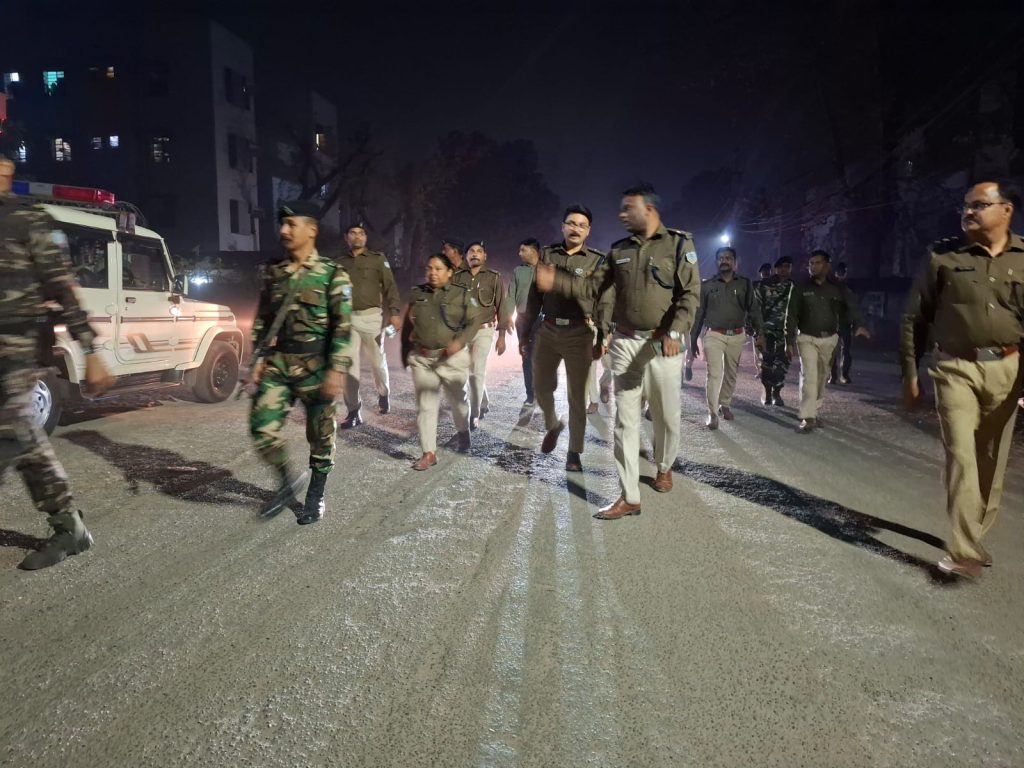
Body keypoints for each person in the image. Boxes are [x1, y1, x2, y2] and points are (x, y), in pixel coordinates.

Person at [536, 183, 700, 518]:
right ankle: (629, 496)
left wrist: (675, 331)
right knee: (624, 422)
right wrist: (559, 282)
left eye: (629, 208)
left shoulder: (679, 244)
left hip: (663, 345)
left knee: (666, 416)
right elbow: (592, 286)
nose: (622, 214)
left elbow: (690, 294)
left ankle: (664, 465)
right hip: (626, 343)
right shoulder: (618, 251)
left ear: (649, 210)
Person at [901, 180, 1024, 578]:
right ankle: (963, 548)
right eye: (965, 206)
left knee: (991, 461)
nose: (968, 212)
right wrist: (910, 373)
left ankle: (974, 536)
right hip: (954, 367)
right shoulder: (942, 256)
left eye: (978, 205)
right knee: (962, 453)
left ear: (1006, 210)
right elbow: (914, 317)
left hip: (1008, 368)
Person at [0, 153, 115, 570]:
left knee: (13, 434)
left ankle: (69, 528)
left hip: (17, 347)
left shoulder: (28, 220)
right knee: (19, 437)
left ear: (7, 172)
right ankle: (69, 526)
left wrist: (91, 352)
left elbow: (63, 288)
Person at [249, 201, 352, 525]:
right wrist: (259, 355)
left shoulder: (333, 274)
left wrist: (336, 368)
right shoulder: (274, 272)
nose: (284, 230)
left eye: (291, 224)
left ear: (311, 229)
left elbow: (343, 325)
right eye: (282, 224)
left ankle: (316, 494)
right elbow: (264, 318)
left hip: (317, 366)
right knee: (262, 428)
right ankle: (286, 482)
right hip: (279, 363)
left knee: (320, 436)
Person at [520, 205, 606, 472]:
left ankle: (574, 452)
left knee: (577, 396)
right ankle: (553, 424)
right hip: (548, 329)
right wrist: (524, 334)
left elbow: (601, 298)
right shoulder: (547, 254)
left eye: (581, 225)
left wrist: (602, 336)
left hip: (580, 332)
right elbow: (534, 297)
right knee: (541, 387)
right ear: (563, 226)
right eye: (571, 223)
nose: (576, 228)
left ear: (588, 231)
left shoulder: (597, 261)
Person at [401, 253, 481, 469]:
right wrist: (404, 352)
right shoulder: (417, 293)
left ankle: (463, 431)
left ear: (450, 272)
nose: (432, 273)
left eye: (438, 269)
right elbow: (407, 325)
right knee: (426, 405)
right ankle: (429, 453)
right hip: (423, 359)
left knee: (459, 402)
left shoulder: (462, 294)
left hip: (452, 359)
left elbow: (474, 321)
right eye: (429, 268)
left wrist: (459, 342)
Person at [786, 249, 869, 433]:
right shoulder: (800, 288)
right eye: (811, 263)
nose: (813, 267)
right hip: (806, 337)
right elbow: (791, 315)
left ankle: (814, 411)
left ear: (827, 265)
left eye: (818, 263)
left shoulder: (838, 288)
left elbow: (852, 307)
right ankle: (807, 417)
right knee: (809, 375)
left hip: (830, 339)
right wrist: (789, 340)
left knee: (822, 376)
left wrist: (860, 325)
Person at [335, 222, 402, 428]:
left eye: (361, 233)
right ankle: (354, 411)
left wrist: (395, 313)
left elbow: (390, 286)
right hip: (347, 320)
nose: (357, 236)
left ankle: (384, 393)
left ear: (365, 237)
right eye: (353, 233)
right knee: (348, 366)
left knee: (377, 363)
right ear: (346, 237)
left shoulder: (377, 259)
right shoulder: (338, 263)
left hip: (372, 318)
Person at [690, 246, 764, 428]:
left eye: (728, 258)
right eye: (721, 258)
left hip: (737, 335)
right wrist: (693, 340)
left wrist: (760, 333)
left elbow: (754, 310)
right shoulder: (707, 285)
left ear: (734, 262)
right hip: (714, 334)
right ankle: (712, 413)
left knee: (731, 373)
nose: (724, 261)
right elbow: (699, 314)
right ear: (717, 262)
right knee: (714, 374)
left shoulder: (744, 284)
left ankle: (725, 404)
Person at [453, 241, 511, 428]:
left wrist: (502, 336)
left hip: (484, 331)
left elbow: (501, 306)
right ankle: (483, 401)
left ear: (485, 256)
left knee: (476, 371)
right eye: (471, 251)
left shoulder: (494, 278)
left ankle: (474, 414)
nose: (475, 254)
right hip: (462, 331)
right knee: (465, 372)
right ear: (466, 256)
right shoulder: (457, 277)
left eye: (479, 251)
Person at [755, 256, 795, 406]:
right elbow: (755, 309)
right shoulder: (764, 285)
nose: (784, 269)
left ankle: (777, 393)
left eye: (787, 266)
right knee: (767, 363)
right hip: (767, 332)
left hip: (785, 334)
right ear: (776, 269)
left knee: (782, 365)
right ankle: (767, 391)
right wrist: (757, 332)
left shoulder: (794, 287)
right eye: (781, 267)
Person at [508, 237, 541, 407]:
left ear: (534, 251)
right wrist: (507, 316)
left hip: (543, 320)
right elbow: (511, 295)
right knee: (526, 356)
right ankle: (531, 394)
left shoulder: (547, 269)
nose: (519, 253)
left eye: (523, 250)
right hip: (523, 320)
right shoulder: (518, 271)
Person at [829, 261, 855, 384]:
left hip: (845, 322)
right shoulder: (831, 286)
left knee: (846, 350)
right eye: (839, 272)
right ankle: (833, 375)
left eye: (843, 272)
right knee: (833, 351)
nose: (841, 274)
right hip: (833, 322)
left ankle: (844, 375)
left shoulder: (848, 287)